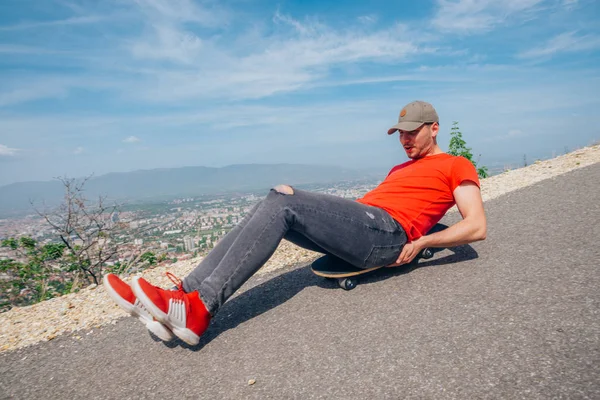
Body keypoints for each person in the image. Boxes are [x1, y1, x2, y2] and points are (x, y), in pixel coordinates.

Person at [103, 100, 487, 346]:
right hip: (365, 224)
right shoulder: (400, 167)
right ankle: (182, 296)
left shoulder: (455, 164)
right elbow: (363, 210)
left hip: (388, 233)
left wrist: (422, 244)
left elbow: (476, 226)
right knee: (276, 200)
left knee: (283, 201)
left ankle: (200, 307)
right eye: (399, 133)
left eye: (412, 131)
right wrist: (318, 209)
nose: (404, 139)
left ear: (434, 128)